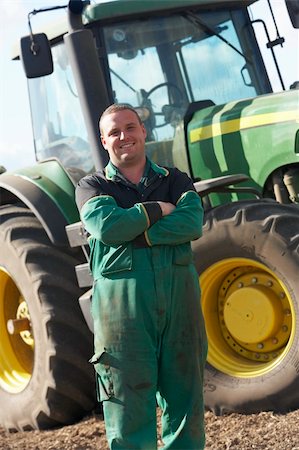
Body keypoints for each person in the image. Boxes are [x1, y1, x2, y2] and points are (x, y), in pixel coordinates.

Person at [75, 104, 207, 450]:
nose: (124, 137)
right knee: (128, 412)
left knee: (186, 404)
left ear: (143, 132)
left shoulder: (174, 179)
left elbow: (192, 222)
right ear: (104, 141)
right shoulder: (92, 186)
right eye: (115, 132)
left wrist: (137, 231)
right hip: (123, 321)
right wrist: (157, 211)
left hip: (181, 310)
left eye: (130, 128)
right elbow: (107, 227)